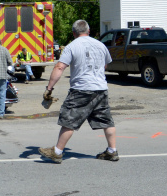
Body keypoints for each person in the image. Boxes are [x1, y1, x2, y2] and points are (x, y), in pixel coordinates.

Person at [38, 20, 118, 163]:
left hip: (81, 89)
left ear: (74, 33)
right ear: (88, 31)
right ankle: (112, 151)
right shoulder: (100, 45)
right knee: (106, 120)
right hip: (100, 89)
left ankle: (57, 152)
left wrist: (49, 88)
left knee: (69, 120)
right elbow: (105, 65)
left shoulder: (72, 46)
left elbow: (60, 67)